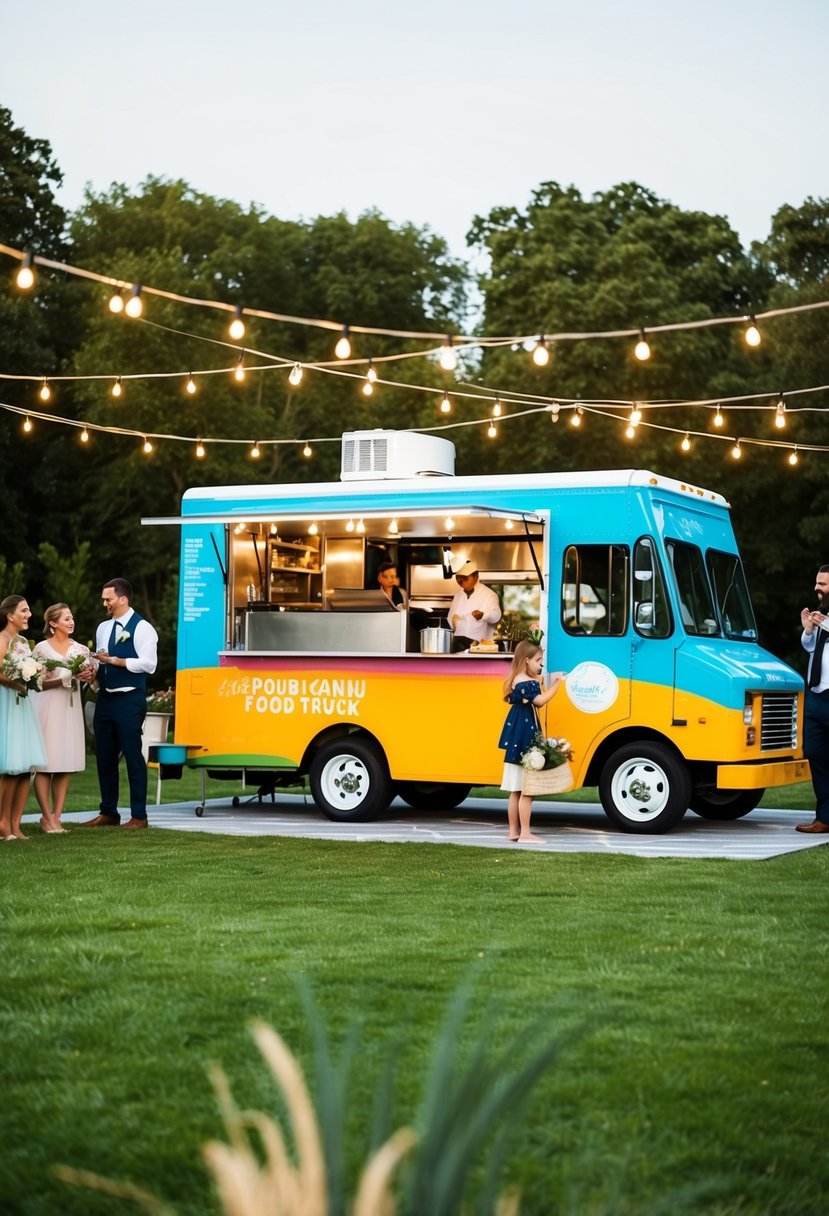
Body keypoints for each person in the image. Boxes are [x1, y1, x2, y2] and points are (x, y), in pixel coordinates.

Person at [82, 577, 158, 830]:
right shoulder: (103, 628)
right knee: (104, 757)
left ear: (123, 599)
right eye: (104, 599)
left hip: (129, 699)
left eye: (109, 599)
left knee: (134, 757)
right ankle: (109, 812)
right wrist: (93, 671)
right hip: (106, 699)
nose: (105, 603)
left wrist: (116, 661)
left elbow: (149, 664)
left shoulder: (143, 628)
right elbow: (102, 660)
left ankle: (139, 815)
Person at [32, 603, 97, 833]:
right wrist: (64, 678)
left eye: (72, 618)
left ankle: (56, 816)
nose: (71, 622)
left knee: (65, 763)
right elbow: (36, 683)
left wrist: (89, 674)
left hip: (70, 708)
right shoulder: (41, 649)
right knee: (45, 763)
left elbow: (90, 676)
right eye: (66, 619)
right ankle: (45, 816)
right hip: (48, 706)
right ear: (53, 623)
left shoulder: (80, 649)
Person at [497, 640, 566, 843]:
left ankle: (513, 832)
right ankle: (525, 833)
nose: (540, 664)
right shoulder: (527, 682)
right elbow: (540, 701)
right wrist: (556, 685)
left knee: (516, 790)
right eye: (538, 660)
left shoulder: (518, 679)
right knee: (527, 789)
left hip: (517, 736)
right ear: (526, 660)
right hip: (525, 738)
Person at [0, 595, 48, 841]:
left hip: (22, 703)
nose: (29, 614)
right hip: (7, 702)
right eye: (24, 610)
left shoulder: (22, 642)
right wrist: (21, 682)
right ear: (10, 615)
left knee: (23, 768)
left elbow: (28, 667)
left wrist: (33, 676)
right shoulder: (1, 639)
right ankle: (2, 824)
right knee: (10, 767)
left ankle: (16, 825)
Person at [798, 565, 829, 834]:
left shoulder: (826, 619)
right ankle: (824, 818)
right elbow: (810, 648)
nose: (817, 588)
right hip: (816, 696)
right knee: (816, 755)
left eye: (823, 584)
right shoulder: (822, 616)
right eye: (817, 583)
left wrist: (824, 624)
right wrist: (809, 629)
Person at [448, 560, 501, 652]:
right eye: (458, 578)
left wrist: (483, 615)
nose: (461, 582)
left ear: (476, 577)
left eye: (464, 578)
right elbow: (450, 619)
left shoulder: (489, 595)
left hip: (480, 648)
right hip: (458, 646)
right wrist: (455, 622)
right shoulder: (458, 595)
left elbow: (496, 615)